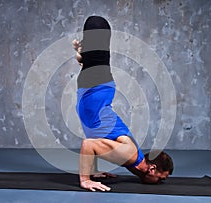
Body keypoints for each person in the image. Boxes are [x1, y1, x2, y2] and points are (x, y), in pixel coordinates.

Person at [72, 16, 173, 192]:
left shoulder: (131, 160)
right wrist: (85, 179)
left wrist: (93, 171)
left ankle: (84, 56)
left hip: (92, 93)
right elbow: (88, 145)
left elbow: (96, 141)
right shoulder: (129, 155)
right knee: (97, 24)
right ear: (152, 168)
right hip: (97, 88)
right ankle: (84, 55)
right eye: (160, 179)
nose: (159, 182)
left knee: (95, 37)